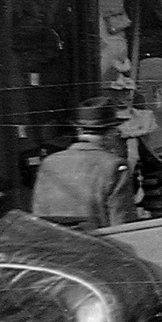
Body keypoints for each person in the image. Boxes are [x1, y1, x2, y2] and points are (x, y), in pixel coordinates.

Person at [32, 96, 139, 231]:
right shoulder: (114, 166)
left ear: (79, 130)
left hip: (55, 246)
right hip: (97, 247)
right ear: (111, 133)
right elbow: (124, 225)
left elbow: (38, 219)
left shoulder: (49, 162)